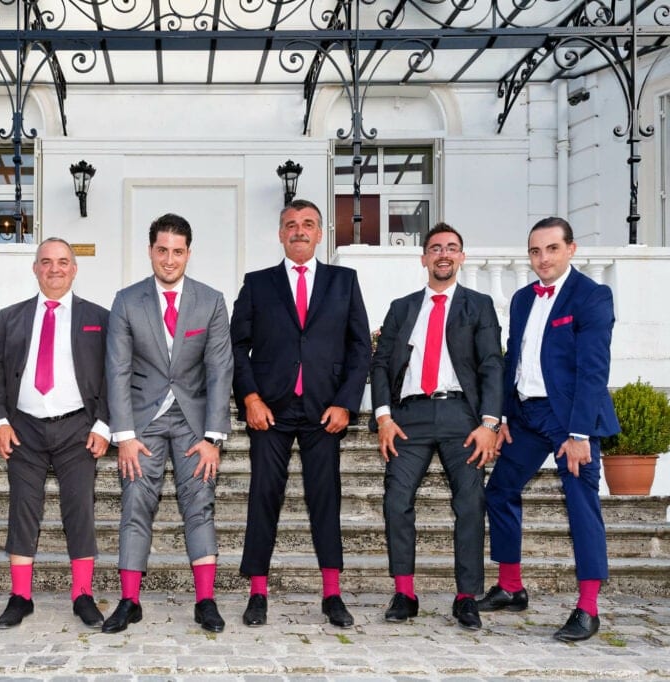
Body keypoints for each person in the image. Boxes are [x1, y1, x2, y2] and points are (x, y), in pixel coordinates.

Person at [230, 198, 370, 629]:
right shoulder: (258, 283)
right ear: (279, 233)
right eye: (291, 224)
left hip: (324, 410)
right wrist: (250, 397)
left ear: (320, 232)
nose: (299, 230)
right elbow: (235, 346)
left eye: (308, 224)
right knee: (263, 497)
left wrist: (346, 402)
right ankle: (257, 593)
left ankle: (332, 593)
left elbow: (360, 347)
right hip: (269, 410)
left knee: (325, 498)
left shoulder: (344, 281)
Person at [479, 217, 619, 642]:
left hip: (569, 419)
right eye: (536, 251)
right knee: (500, 490)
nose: (543, 258)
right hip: (525, 415)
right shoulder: (522, 298)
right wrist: (502, 416)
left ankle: (588, 608)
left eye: (552, 249)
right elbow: (512, 359)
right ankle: (510, 586)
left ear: (571, 250)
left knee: (581, 505)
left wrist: (579, 434)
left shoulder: (592, 296)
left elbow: (593, 369)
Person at [102, 213, 234, 634]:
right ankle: (129, 601)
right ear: (150, 251)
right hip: (143, 423)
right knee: (136, 504)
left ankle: (206, 602)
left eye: (178, 251)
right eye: (162, 250)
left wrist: (214, 437)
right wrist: (123, 436)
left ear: (188, 254)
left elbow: (219, 370)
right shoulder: (126, 300)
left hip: (195, 422)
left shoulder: (211, 301)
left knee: (200, 506)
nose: (170, 259)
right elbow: (117, 370)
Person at [369, 223, 503, 630]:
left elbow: (492, 364)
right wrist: (383, 416)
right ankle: (405, 593)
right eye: (435, 248)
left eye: (452, 248)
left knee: (469, 503)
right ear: (423, 258)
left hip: (462, 416)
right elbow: (380, 364)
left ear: (461, 257)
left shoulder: (478, 306)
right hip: (408, 417)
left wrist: (490, 423)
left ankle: (466, 597)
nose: (443, 254)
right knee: (396, 500)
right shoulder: (402, 307)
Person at [0, 238, 110, 629]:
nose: (54, 269)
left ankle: (82, 595)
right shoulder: (11, 316)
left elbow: (112, 376)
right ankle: (20, 597)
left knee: (80, 509)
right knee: (22, 508)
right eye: (46, 262)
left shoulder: (99, 317)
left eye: (62, 262)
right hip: (24, 429)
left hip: (77, 429)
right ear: (35, 268)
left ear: (74, 269)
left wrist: (104, 425)